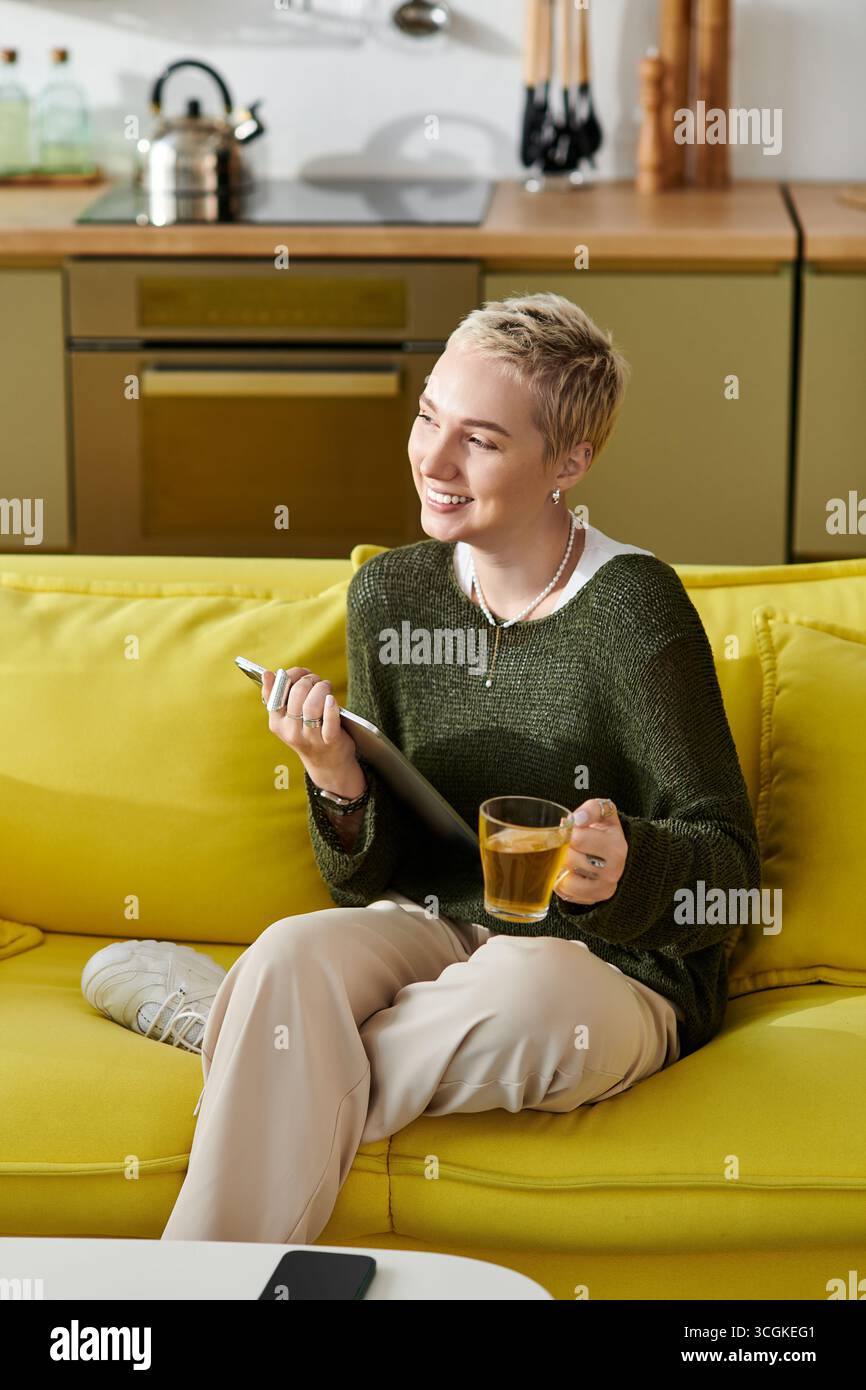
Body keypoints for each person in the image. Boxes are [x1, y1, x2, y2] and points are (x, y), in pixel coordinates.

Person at [82, 293, 761, 1246]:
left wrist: (623, 866)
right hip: (435, 932)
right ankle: (247, 1096)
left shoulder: (635, 612)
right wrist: (338, 780)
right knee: (286, 953)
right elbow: (362, 878)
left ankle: (241, 1041)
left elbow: (730, 874)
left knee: (526, 997)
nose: (433, 462)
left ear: (569, 462)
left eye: (479, 440)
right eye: (427, 416)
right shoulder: (390, 590)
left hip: (602, 971)